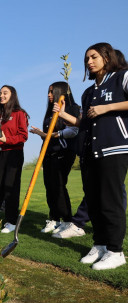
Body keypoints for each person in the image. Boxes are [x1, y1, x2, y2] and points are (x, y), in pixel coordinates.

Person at [54, 43, 128, 270]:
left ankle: (116, 251)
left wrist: (106, 108)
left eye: (93, 57)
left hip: (113, 148)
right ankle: (100, 244)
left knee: (110, 200)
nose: (89, 62)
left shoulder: (122, 77)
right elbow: (84, 123)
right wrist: (63, 114)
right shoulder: (89, 92)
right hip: (89, 151)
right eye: (86, 59)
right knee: (94, 201)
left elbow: (106, 110)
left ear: (107, 57)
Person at [29, 82, 80, 234]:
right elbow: (48, 135)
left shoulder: (73, 108)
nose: (49, 95)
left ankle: (67, 220)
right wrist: (42, 135)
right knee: (49, 186)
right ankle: (54, 218)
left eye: (52, 92)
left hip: (64, 152)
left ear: (61, 92)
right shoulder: (50, 111)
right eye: (48, 92)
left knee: (58, 185)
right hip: (48, 153)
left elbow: (75, 130)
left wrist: (54, 135)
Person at [0, 85, 29, 235]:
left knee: (11, 188)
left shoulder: (19, 113)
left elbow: (23, 136)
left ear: (12, 95)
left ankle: (11, 221)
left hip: (13, 154)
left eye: (5, 93)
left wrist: (6, 138)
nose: (1, 95)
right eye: (0, 93)